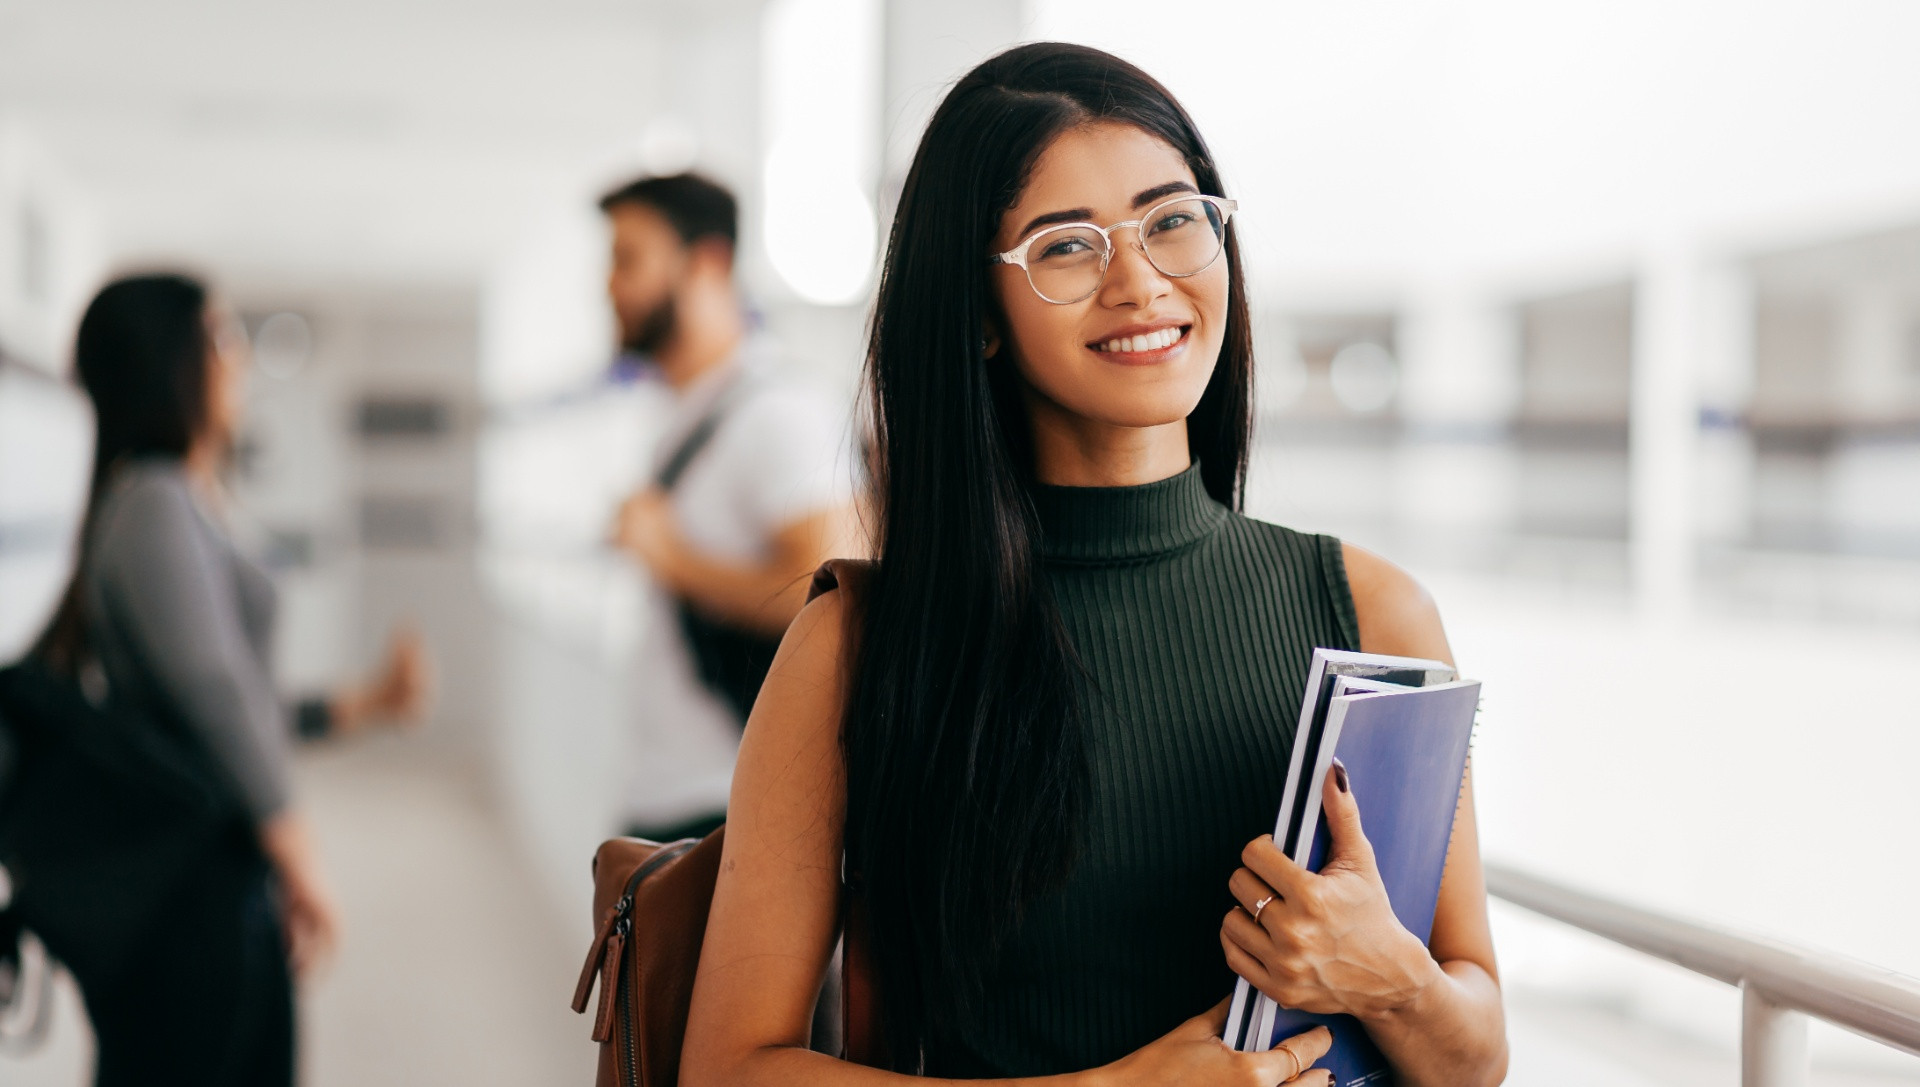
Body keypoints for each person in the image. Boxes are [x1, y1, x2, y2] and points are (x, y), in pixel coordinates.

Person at [680, 43, 1508, 1087]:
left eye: (1173, 220)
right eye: (1066, 248)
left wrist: (1392, 976)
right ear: (977, 313)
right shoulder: (857, 644)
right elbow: (726, 1069)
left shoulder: (1373, 611)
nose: (1140, 281)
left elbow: (1476, 1060)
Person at [27, 273, 432, 1087]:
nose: (238, 359)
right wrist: (299, 850)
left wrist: (364, 703)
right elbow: (216, 694)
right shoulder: (153, 503)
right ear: (170, 361)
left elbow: (230, 697)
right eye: (221, 338)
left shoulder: (173, 501)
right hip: (192, 886)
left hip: (210, 870)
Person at [602, 173, 860, 835]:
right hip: (675, 795)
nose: (609, 285)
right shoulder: (687, 413)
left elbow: (833, 597)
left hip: (734, 806)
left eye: (628, 259)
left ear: (707, 262)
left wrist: (671, 558)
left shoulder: (779, 413)